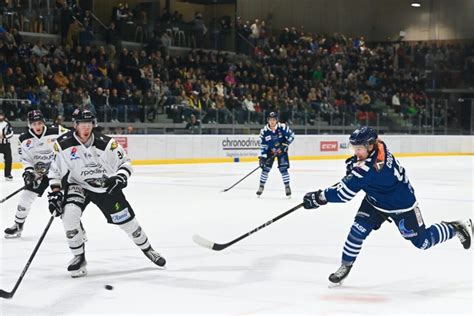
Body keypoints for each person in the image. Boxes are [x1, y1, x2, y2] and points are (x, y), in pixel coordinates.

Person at [302, 126, 473, 286]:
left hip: (402, 206)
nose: (355, 152)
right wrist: (354, 168)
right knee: (357, 231)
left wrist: (319, 197)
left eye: (358, 149)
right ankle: (345, 265)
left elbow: (343, 194)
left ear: (369, 146)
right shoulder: (379, 145)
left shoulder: (367, 170)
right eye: (354, 148)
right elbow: (359, 171)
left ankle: (455, 228)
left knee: (423, 242)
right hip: (375, 200)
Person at [47, 109, 166, 278]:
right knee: (69, 215)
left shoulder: (107, 144)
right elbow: (54, 171)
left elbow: (125, 163)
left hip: (105, 187)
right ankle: (78, 257)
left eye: (89, 124)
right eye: (82, 124)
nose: (86, 128)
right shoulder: (63, 144)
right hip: (78, 185)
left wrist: (119, 178)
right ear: (75, 125)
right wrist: (55, 193)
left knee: (127, 223)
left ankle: (148, 249)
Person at [4, 110, 68, 238]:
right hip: (39, 174)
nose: (37, 126)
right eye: (34, 124)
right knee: (25, 198)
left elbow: (74, 140)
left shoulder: (57, 131)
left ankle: (76, 229)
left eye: (39, 123)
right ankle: (18, 225)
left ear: (43, 122)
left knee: (62, 202)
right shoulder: (23, 138)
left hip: (58, 173)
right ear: (29, 124)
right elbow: (26, 159)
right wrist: (29, 172)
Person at [257, 112, 295, 197]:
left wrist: (285, 145)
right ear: (268, 120)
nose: (272, 121)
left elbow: (292, 136)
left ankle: (287, 186)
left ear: (276, 120)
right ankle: (261, 186)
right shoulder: (264, 131)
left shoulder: (282, 127)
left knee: (283, 169)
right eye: (270, 120)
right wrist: (262, 157)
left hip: (282, 151)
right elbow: (263, 146)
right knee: (265, 169)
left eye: (274, 120)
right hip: (270, 152)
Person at [0, 109, 14, 181]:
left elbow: (11, 133)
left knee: (8, 160)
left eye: (1, 115)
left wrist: (5, 136)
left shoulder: (7, 124)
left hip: (6, 144)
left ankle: (8, 174)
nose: (0, 117)